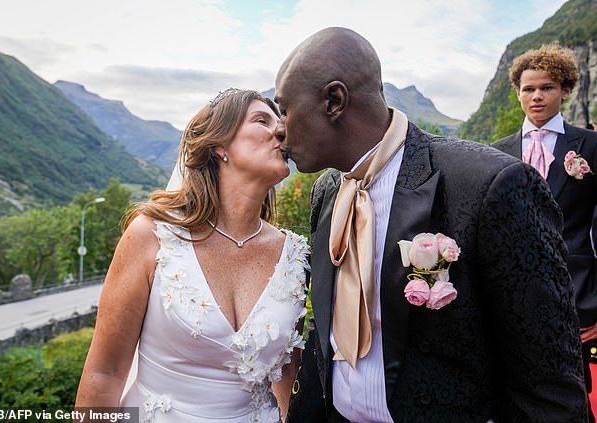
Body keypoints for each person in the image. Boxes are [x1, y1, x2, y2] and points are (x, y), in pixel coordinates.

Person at [273, 27, 588, 422]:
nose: (279, 128)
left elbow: (548, 379)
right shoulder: (327, 192)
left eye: (285, 109)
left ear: (334, 101)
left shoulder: (489, 185)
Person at [75, 89, 310, 423]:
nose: (281, 130)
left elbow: (289, 375)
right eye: (262, 120)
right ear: (220, 146)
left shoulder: (295, 256)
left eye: (281, 121)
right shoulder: (151, 236)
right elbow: (105, 373)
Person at [491, 43, 597, 421]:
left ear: (565, 90)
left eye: (547, 87)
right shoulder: (495, 152)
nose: (537, 96)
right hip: (513, 297)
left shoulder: (591, 146)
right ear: (517, 92)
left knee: (576, 394)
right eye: (528, 88)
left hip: (579, 295)